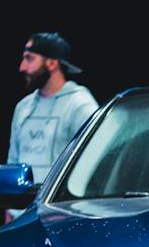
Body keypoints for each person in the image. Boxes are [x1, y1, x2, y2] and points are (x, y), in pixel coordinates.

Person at [7, 31, 99, 188]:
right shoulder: (23, 107)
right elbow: (13, 160)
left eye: (29, 58)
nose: (22, 67)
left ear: (51, 63)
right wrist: (9, 205)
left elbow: (94, 161)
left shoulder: (80, 105)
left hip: (58, 210)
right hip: (21, 210)